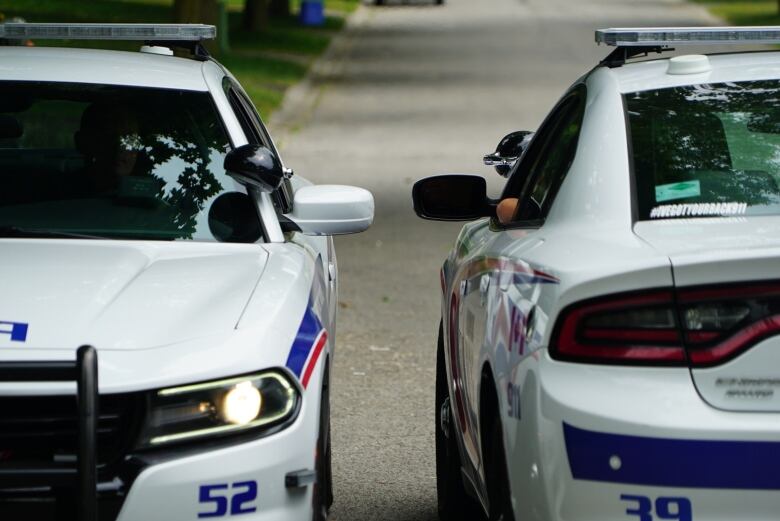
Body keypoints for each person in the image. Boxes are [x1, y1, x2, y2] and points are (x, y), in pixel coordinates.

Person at [74, 102, 142, 194]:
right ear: (82, 142)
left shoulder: (150, 197)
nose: (120, 147)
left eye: (129, 138)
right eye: (108, 136)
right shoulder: (60, 192)